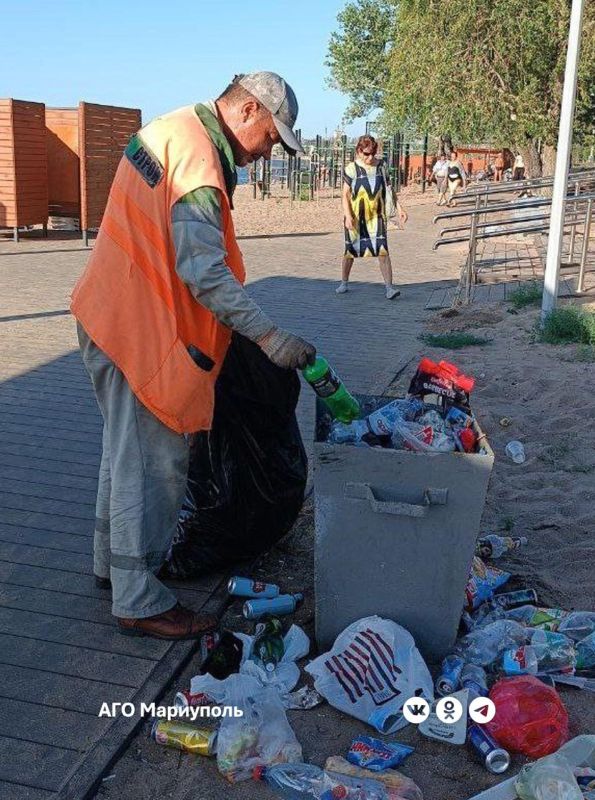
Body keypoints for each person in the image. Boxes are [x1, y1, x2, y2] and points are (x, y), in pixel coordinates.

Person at [70, 72, 316, 640]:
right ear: (248, 110)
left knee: (121, 455)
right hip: (141, 334)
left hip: (106, 313)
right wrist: (269, 336)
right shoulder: (201, 166)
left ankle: (113, 569)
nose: (269, 151)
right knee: (154, 468)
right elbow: (203, 271)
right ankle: (139, 600)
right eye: (273, 137)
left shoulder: (170, 128)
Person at [336, 135, 407, 299]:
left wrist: (400, 208)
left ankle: (389, 288)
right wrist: (347, 215)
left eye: (372, 154)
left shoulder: (381, 166)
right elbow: (345, 195)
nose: (370, 157)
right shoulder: (352, 168)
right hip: (356, 216)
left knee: (383, 251)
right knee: (350, 251)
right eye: (366, 154)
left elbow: (389, 190)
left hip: (377, 217)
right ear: (358, 151)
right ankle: (344, 282)